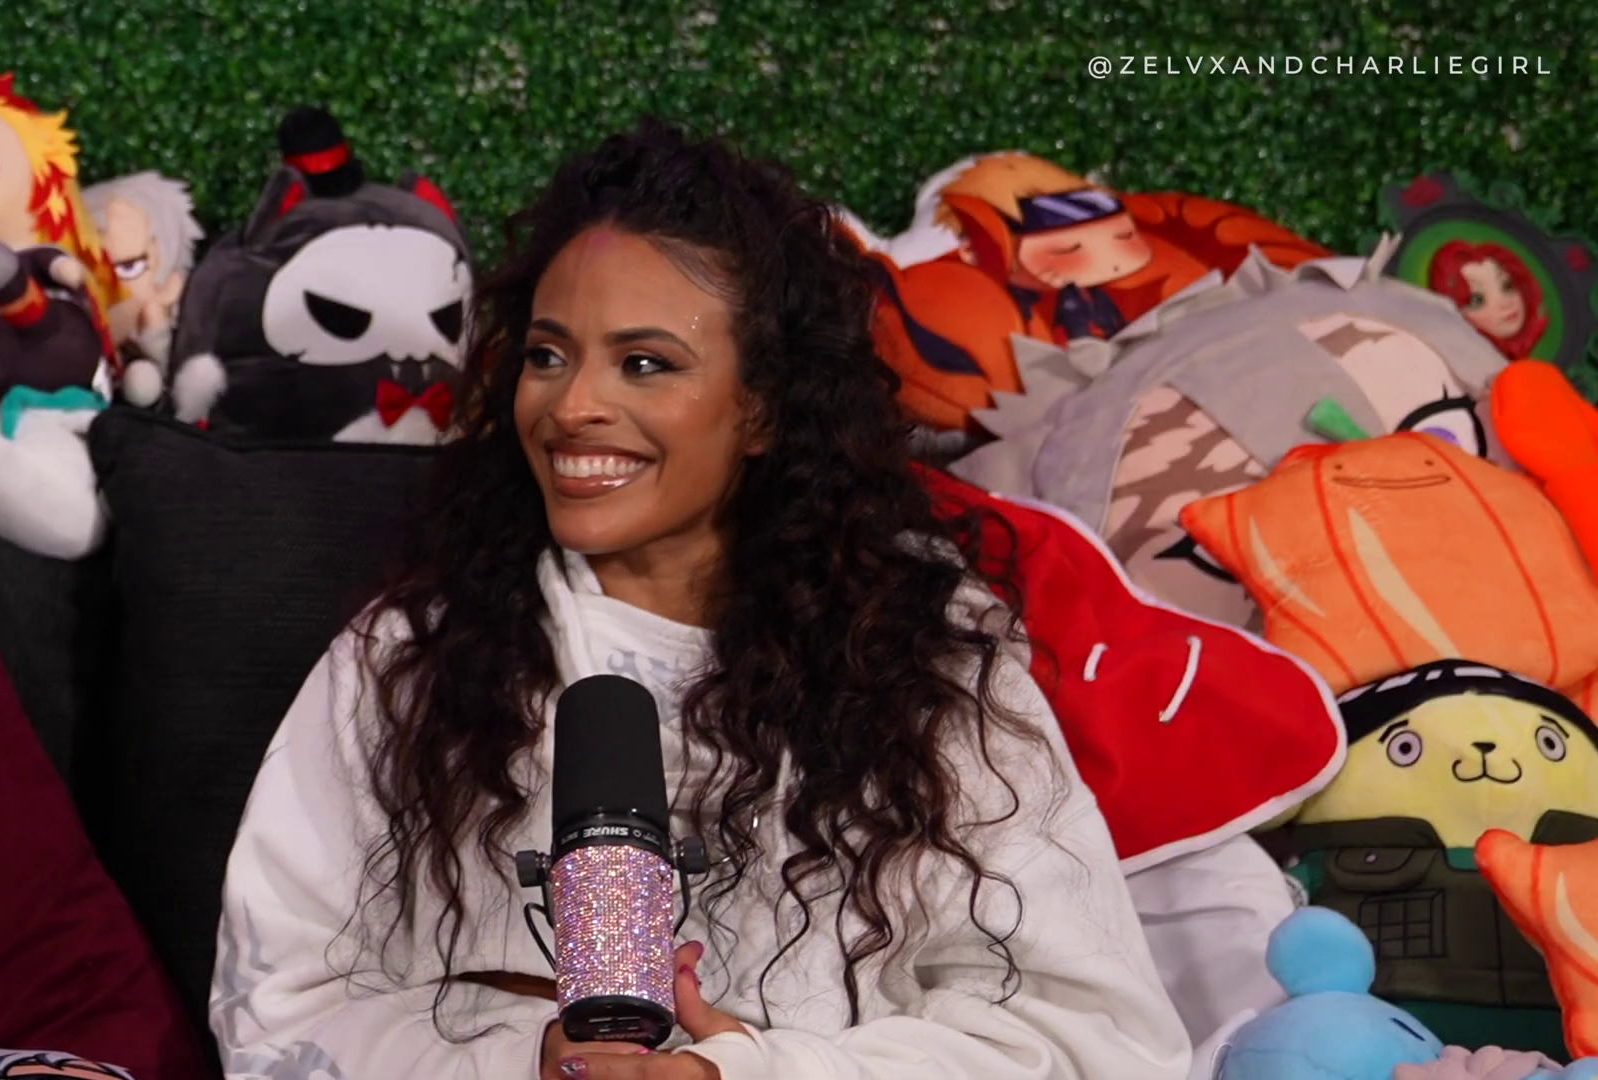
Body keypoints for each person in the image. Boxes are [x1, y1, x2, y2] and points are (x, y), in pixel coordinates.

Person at [211, 119, 1192, 1080]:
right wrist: (525, 1064)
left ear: (762, 406)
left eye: (645, 363)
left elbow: (1098, 1044)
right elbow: (279, 1016)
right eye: (548, 355)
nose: (573, 405)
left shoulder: (924, 660)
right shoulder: (410, 658)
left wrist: (745, 1072)